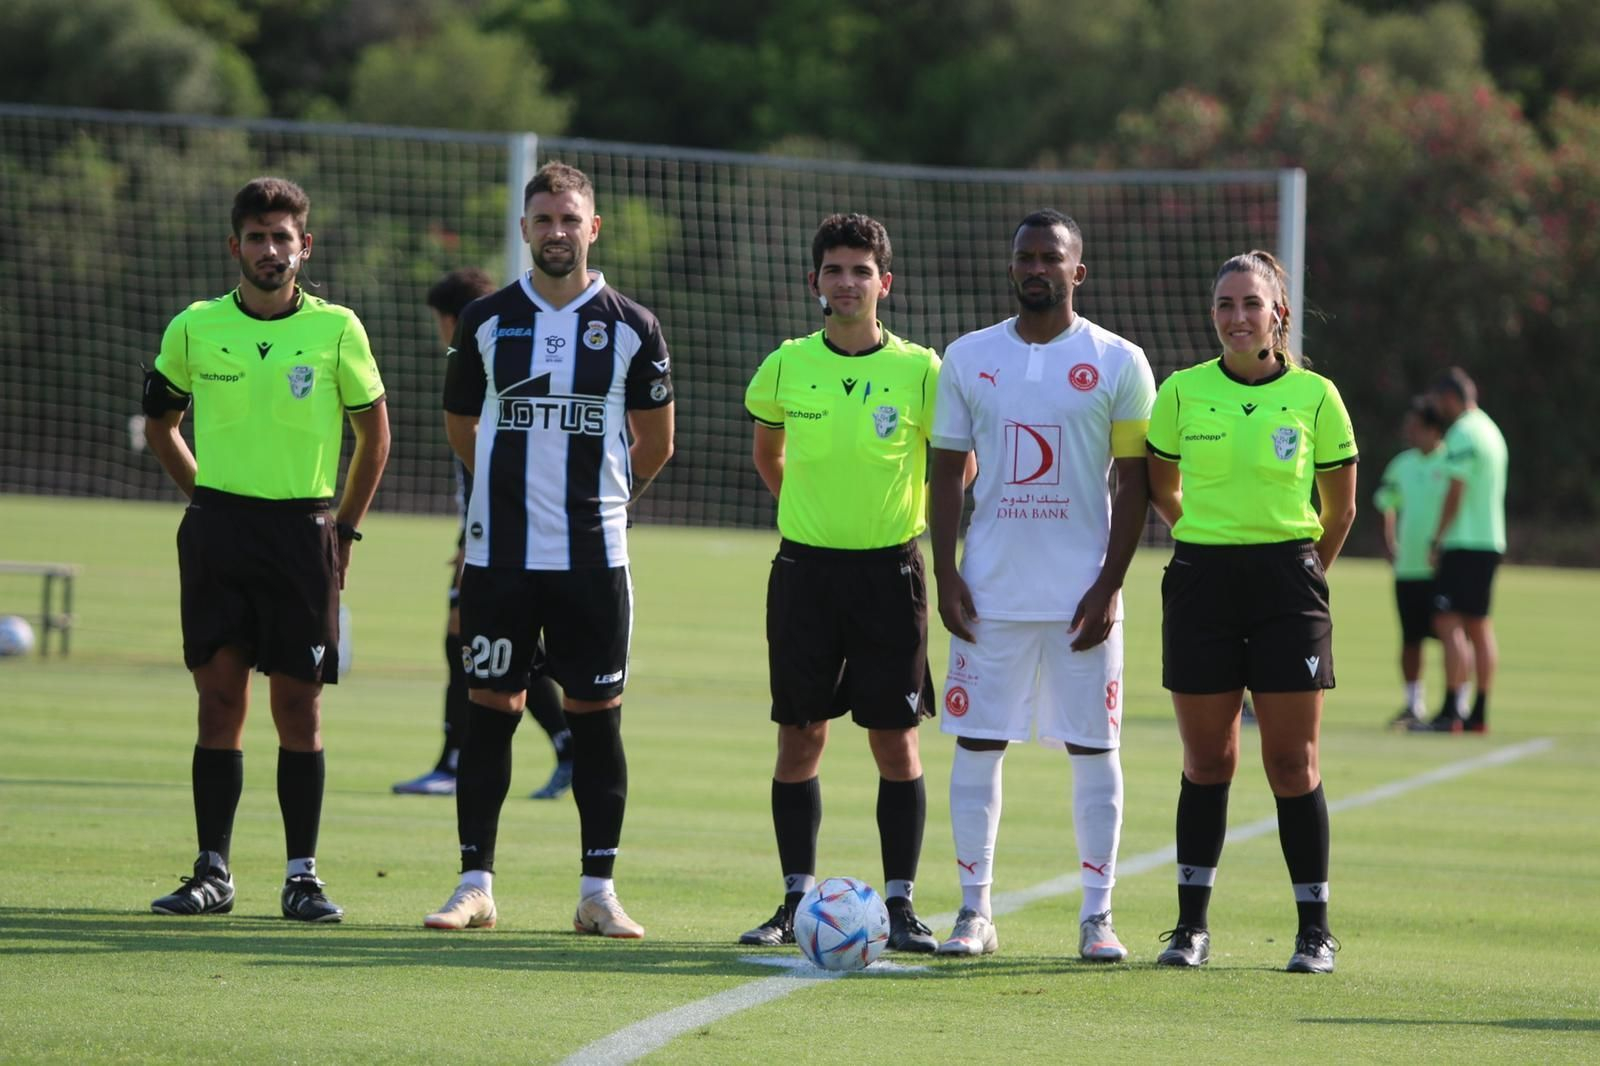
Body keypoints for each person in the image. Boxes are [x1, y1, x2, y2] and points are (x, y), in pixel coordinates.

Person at [425, 163, 674, 936]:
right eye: (543, 219)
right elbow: (462, 426)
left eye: (570, 219)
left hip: (595, 560)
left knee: (597, 720)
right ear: (525, 229)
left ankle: (598, 893)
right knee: (487, 714)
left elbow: (656, 443)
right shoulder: (487, 321)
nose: (557, 231)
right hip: (500, 559)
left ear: (592, 228)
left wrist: (603, 501)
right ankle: (475, 886)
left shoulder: (632, 324)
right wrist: (504, 494)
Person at [142, 176, 391, 922]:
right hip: (218, 533)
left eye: (284, 238)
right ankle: (212, 871)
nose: (271, 250)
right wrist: (206, 496)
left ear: (304, 247)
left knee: (299, 709)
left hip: (301, 535)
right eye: (257, 237)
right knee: (219, 701)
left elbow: (374, 436)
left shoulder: (337, 329)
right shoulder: (193, 326)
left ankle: (302, 876)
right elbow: (161, 422)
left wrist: (342, 528)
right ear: (235, 247)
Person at [927, 210, 1154, 962]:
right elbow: (945, 472)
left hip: (1081, 597)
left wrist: (1110, 584)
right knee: (977, 743)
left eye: (1050, 258)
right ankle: (973, 912)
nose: (1036, 268)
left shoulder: (1119, 361)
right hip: (989, 594)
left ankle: (1098, 916)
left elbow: (1134, 483)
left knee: (1094, 749)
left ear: (1076, 272)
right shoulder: (967, 356)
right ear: (1012, 267)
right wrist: (948, 570)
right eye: (1025, 256)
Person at [1145, 250, 1358, 973]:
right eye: (1225, 306)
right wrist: (1207, 540)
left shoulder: (1317, 396)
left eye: (1251, 304)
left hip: (1288, 587)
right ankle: (1190, 929)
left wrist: (1301, 575)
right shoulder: (1179, 393)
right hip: (1202, 580)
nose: (1238, 318)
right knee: (1207, 760)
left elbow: (1341, 507)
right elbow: (1162, 485)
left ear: (1279, 314)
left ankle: (1314, 932)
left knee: (1291, 762)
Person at [738, 213, 942, 954]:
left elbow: (957, 466)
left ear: (884, 283)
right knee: (800, 739)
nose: (848, 282)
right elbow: (770, 454)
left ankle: (904, 905)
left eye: (862, 270)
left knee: (896, 742)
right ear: (815, 281)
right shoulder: (787, 364)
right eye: (835, 270)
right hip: (805, 574)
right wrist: (812, 515)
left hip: (892, 574)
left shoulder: (922, 369)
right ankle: (795, 901)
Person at [392, 268, 573, 799]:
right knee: (480, 644)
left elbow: (495, 464)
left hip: (502, 534)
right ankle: (565, 746)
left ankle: (459, 761)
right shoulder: (499, 361)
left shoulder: (491, 368)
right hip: (488, 530)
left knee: (477, 645)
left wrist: (475, 539)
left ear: (454, 319)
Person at [1420, 367, 1507, 734]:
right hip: (1490, 539)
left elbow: (1456, 492)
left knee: (1448, 622)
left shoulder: (1462, 434)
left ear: (1452, 399)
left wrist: (1437, 538)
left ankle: (1452, 708)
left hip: (1464, 541)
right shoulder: (1491, 430)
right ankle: (1479, 710)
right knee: (1479, 626)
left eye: (1441, 402)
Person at [1373, 397, 1449, 731]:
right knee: (1411, 639)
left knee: (1451, 637)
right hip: (1409, 568)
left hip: (1444, 568)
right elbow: (1386, 503)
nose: (1410, 432)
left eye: (1416, 427)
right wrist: (1390, 543)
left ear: (1433, 430)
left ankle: (1454, 704)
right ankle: (1413, 703)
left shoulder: (1451, 462)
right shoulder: (1402, 465)